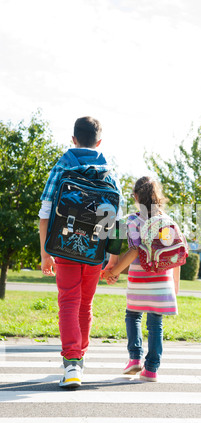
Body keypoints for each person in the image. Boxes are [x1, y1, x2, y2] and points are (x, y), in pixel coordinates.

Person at [39, 116, 122, 388]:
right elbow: (116, 221)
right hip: (95, 250)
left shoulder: (62, 166)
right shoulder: (110, 172)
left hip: (64, 247)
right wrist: (113, 259)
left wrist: (45, 253)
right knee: (85, 304)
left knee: (68, 302)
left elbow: (45, 213)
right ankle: (79, 357)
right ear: (99, 142)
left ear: (73, 139)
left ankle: (72, 362)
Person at [101, 176, 180, 382]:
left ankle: (134, 358)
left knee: (133, 316)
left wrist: (113, 271)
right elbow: (178, 255)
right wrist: (175, 287)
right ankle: (152, 369)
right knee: (156, 324)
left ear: (136, 196)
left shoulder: (133, 220)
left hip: (140, 282)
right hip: (163, 283)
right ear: (158, 197)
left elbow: (134, 251)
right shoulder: (169, 221)